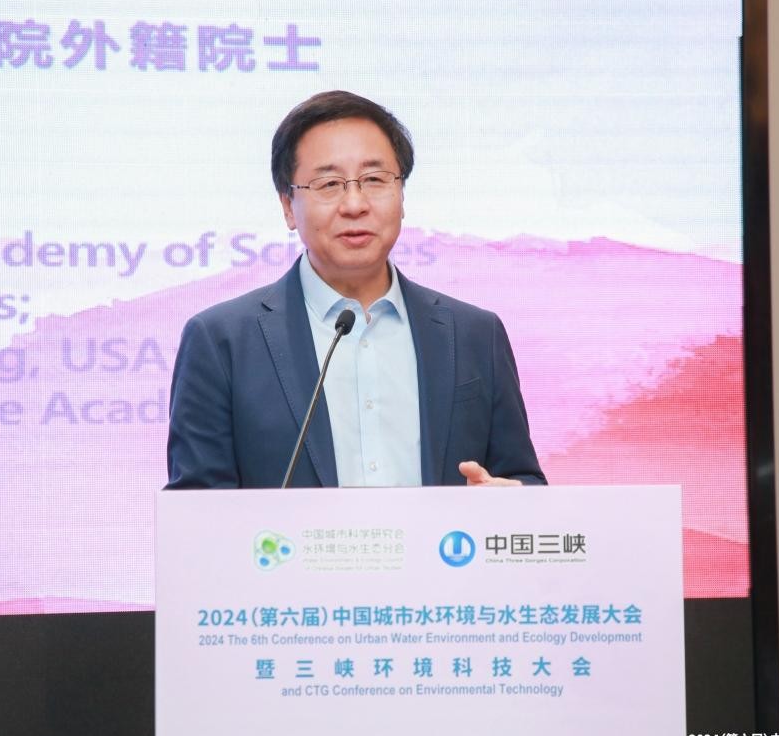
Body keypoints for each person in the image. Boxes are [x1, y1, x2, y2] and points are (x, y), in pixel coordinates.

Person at [165, 90, 545, 489]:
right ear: (288, 206)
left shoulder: (474, 335)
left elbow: (523, 480)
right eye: (329, 184)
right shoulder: (221, 342)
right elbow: (195, 508)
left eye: (375, 180)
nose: (354, 204)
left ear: (401, 195)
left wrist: (509, 499)